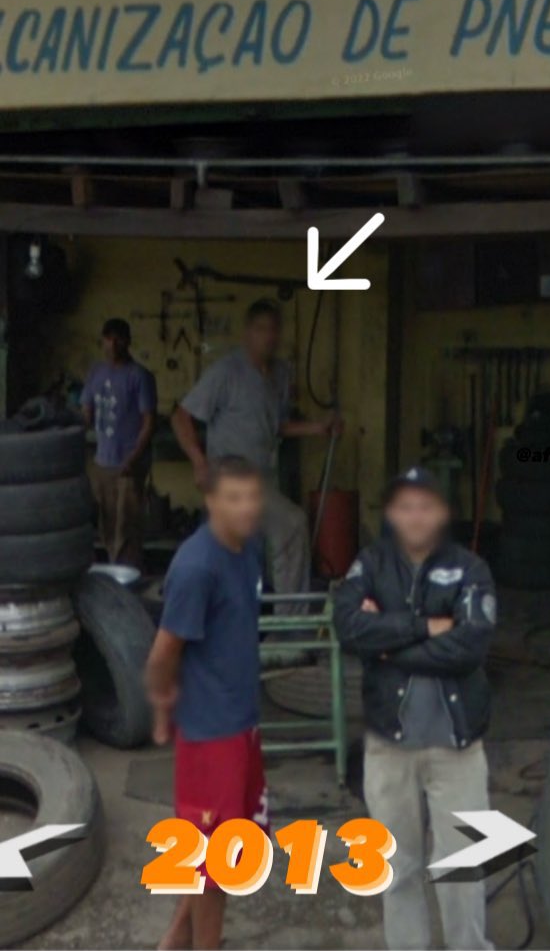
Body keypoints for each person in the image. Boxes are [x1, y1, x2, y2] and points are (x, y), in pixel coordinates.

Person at [333, 467, 496, 951]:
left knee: (463, 864)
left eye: (426, 505)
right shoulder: (369, 564)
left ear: (443, 512)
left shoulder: (472, 569)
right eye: (405, 506)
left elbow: (470, 646)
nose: (415, 516)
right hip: (389, 746)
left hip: (457, 748)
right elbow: (347, 628)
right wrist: (427, 628)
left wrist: (386, 639)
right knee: (396, 867)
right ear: (390, 513)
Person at [145, 455, 267, 951]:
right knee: (215, 866)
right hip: (210, 734)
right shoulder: (196, 567)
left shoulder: (247, 549)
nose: (246, 507)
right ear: (211, 500)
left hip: (240, 724)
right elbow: (162, 653)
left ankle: (175, 941)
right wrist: (161, 709)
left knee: (222, 855)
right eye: (233, 498)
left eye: (253, 496)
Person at [171, 299, 341, 605]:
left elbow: (276, 427)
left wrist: (318, 428)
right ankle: (290, 631)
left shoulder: (278, 375)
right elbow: (181, 416)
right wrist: (199, 463)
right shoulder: (226, 372)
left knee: (249, 555)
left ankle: (250, 623)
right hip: (230, 476)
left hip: (262, 476)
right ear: (247, 333)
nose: (269, 336)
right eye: (261, 328)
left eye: (274, 329)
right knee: (292, 525)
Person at [81, 317, 156, 567]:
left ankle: (129, 582)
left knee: (128, 528)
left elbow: (148, 423)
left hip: (129, 465)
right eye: (108, 338)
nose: (112, 344)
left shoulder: (140, 376)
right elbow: (86, 413)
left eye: (118, 339)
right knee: (106, 526)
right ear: (101, 341)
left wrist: (133, 459)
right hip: (102, 463)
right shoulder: (95, 372)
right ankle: (114, 577)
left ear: (128, 342)